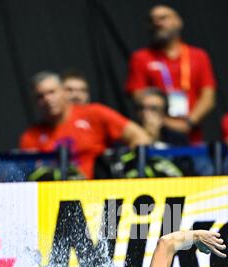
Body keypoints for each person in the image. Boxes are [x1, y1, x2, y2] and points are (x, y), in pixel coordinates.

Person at [19, 71, 150, 180]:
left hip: (100, 192)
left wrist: (126, 170)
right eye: (40, 96)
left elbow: (140, 137)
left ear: (64, 92)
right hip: (56, 197)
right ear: (35, 102)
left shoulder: (94, 113)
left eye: (52, 92)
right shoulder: (31, 136)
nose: (47, 99)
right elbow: (27, 173)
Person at [125, 5, 217, 146]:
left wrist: (189, 122)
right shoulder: (141, 58)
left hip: (193, 135)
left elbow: (208, 97)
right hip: (157, 135)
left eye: (163, 18)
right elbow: (139, 96)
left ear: (178, 21)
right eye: (152, 20)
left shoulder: (199, 56)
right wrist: (165, 121)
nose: (157, 23)